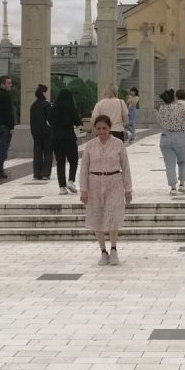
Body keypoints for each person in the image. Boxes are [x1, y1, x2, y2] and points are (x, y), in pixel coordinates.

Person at [78, 113, 132, 264]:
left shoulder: (118, 144)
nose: (102, 131)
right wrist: (84, 189)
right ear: (95, 129)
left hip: (114, 181)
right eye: (99, 128)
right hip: (94, 182)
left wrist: (128, 189)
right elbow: (84, 168)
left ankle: (114, 249)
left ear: (110, 128)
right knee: (98, 216)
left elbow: (125, 167)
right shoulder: (90, 146)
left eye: (105, 128)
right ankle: (103, 251)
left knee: (113, 214)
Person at [156, 88, 185, 194]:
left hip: (165, 137)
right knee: (183, 161)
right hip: (180, 136)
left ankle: (173, 188)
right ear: (174, 98)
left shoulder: (161, 108)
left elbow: (159, 121)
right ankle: (182, 184)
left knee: (169, 164)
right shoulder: (182, 108)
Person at [51, 86, 81, 194]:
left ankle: (62, 187)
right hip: (68, 137)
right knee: (73, 160)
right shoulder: (71, 107)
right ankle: (71, 181)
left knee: (60, 162)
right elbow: (78, 122)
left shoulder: (53, 107)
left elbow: (49, 121)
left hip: (55, 138)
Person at [29, 84, 53, 182]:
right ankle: (45, 173)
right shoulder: (46, 105)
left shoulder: (33, 105)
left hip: (36, 132)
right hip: (46, 132)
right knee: (48, 153)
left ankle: (37, 173)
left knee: (37, 153)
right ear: (43, 93)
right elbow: (50, 119)